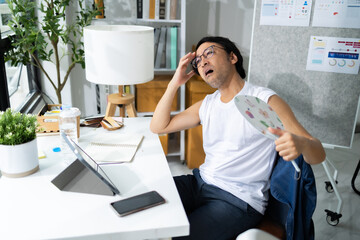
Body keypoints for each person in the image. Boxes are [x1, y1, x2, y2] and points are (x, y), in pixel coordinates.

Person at [150, 36, 326, 240]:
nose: (203, 62)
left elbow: (318, 154)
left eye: (209, 53)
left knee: (181, 236)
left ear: (232, 57)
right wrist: (174, 83)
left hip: (237, 200)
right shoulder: (207, 104)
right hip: (199, 183)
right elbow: (159, 127)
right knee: (148, 201)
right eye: (197, 61)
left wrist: (301, 144)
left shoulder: (264, 99)